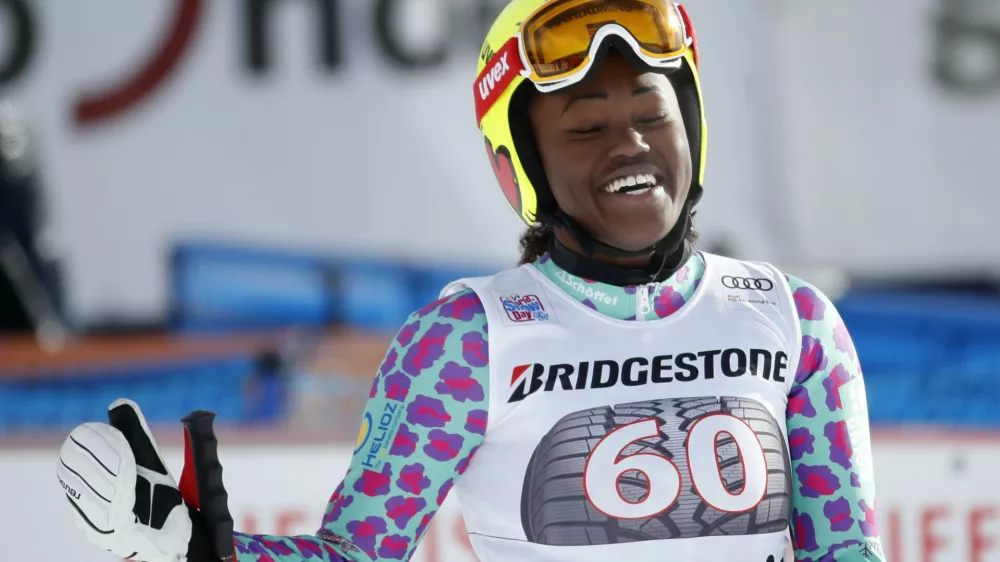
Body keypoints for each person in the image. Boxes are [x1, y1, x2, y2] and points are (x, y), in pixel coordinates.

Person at [55, 0, 885, 560]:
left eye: (651, 111)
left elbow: (848, 551)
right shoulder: (469, 340)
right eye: (587, 126)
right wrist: (190, 543)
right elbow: (356, 553)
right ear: (517, 168)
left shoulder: (793, 319)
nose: (628, 143)